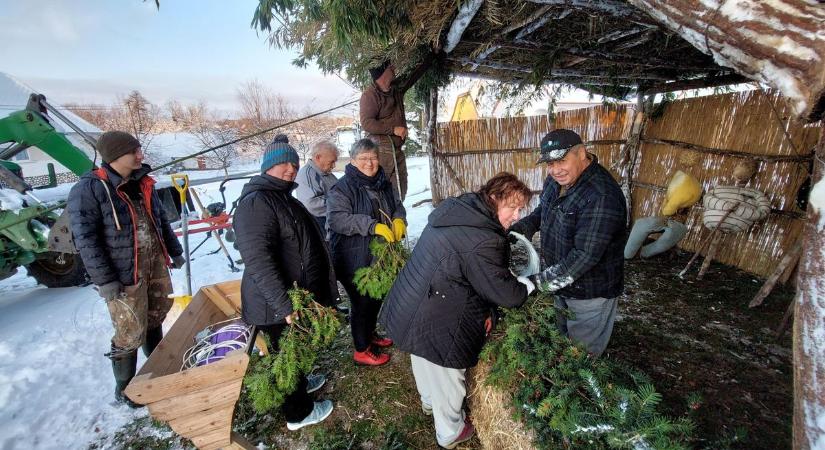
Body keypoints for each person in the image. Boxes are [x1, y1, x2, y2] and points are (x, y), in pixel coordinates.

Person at [380, 172, 535, 449]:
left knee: (421, 354)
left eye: (521, 209)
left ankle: (429, 402)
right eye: (512, 207)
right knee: (447, 373)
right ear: (493, 198)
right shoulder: (483, 240)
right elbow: (507, 295)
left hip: (413, 298)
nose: (516, 215)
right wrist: (528, 285)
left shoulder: (458, 210)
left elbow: (467, 270)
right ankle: (450, 432)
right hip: (438, 315)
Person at [68, 130, 185, 407]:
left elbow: (160, 221)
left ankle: (155, 373)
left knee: (155, 318)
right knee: (129, 329)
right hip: (123, 275)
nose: (140, 155)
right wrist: (105, 280)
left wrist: (174, 250)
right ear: (116, 155)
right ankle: (126, 389)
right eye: (134, 151)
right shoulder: (89, 189)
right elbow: (86, 239)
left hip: (153, 265)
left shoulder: (142, 183)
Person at [233, 134, 337, 430]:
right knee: (286, 356)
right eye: (282, 164)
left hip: (291, 297)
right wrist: (283, 304)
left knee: (296, 348)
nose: (290, 169)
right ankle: (298, 413)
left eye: (293, 163)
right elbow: (258, 261)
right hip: (274, 304)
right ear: (267, 166)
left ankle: (302, 383)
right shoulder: (256, 204)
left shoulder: (279, 197)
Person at [511, 129, 627, 357]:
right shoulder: (556, 180)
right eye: (550, 164)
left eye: (561, 161)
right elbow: (543, 211)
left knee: (581, 357)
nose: (555, 170)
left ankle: (582, 389)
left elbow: (584, 256)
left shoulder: (602, 196)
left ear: (582, 153)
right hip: (560, 282)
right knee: (561, 341)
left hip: (590, 293)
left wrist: (536, 283)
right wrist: (517, 230)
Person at [326, 138, 406, 366]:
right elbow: (337, 219)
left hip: (379, 256)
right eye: (363, 159)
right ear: (352, 161)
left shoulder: (383, 182)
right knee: (362, 303)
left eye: (373, 158)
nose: (369, 163)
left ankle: (369, 336)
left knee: (375, 298)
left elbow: (397, 205)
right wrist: (372, 226)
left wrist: (399, 219)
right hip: (353, 257)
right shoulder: (342, 188)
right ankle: (361, 349)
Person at [359, 56, 432, 200]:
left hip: (396, 150)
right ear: (382, 73)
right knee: (383, 195)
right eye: (390, 67)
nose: (394, 68)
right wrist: (393, 129)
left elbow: (413, 75)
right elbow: (367, 122)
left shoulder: (395, 88)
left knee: (400, 192)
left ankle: (398, 220)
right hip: (382, 152)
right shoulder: (370, 95)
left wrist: (431, 56)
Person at [294, 140, 339, 232]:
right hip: (321, 228)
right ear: (318, 157)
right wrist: (342, 202)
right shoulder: (307, 174)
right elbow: (311, 204)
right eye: (331, 162)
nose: (334, 166)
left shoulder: (326, 173)